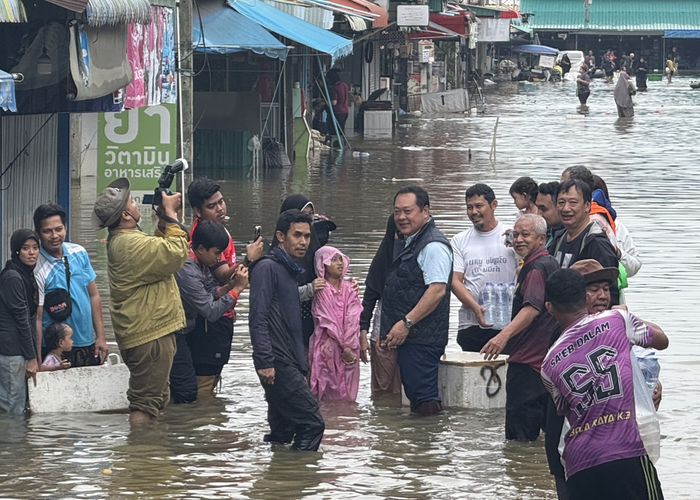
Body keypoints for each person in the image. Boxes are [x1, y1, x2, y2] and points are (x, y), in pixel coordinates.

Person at [542, 269, 668, 500]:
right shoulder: (616, 321)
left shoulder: (548, 363)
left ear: (550, 307)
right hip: (625, 451)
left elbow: (566, 411)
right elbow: (662, 339)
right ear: (585, 297)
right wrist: (626, 315)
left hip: (580, 464)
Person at [93, 178, 189, 425]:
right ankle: (138, 455)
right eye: (133, 202)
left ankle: (151, 456)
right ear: (125, 214)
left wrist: (164, 220)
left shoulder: (127, 239)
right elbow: (176, 254)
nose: (137, 204)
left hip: (149, 332)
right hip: (149, 335)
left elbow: (157, 250)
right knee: (145, 403)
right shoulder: (128, 243)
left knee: (155, 400)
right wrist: (170, 213)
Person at [248, 209, 325, 450]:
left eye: (307, 236)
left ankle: (278, 481)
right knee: (312, 423)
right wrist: (265, 361)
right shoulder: (267, 268)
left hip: (288, 359)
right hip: (277, 361)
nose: (303, 242)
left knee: (284, 429)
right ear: (281, 236)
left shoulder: (287, 269)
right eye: (297, 235)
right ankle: (298, 480)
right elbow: (257, 317)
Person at [481, 215, 560, 441]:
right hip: (545, 365)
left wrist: (502, 336)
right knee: (545, 438)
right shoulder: (549, 263)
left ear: (542, 239)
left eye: (525, 235)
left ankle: (520, 473)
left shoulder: (536, 269)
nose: (518, 240)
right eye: (515, 234)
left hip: (527, 364)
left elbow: (532, 308)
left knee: (519, 441)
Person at [381, 186, 452, 416]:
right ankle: (419, 446)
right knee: (417, 395)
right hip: (413, 338)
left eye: (408, 211)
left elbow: (437, 291)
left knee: (424, 399)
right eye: (397, 212)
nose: (401, 217)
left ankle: (426, 443)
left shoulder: (433, 246)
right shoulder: (412, 241)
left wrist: (406, 323)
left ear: (425, 212)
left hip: (422, 338)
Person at [186, 179, 260, 394]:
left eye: (221, 202)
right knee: (205, 381)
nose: (220, 208)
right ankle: (203, 421)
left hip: (222, 312)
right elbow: (221, 276)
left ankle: (207, 420)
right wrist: (248, 259)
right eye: (212, 206)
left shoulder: (220, 231)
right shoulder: (202, 237)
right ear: (197, 211)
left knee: (212, 377)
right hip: (209, 320)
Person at [172, 221, 249, 403]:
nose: (220, 258)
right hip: (172, 332)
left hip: (184, 329)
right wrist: (236, 290)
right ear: (200, 249)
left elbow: (210, 294)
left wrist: (231, 285)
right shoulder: (187, 269)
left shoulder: (201, 262)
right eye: (216, 253)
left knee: (185, 389)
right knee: (186, 391)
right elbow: (210, 311)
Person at [33, 204, 108, 367]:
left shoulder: (79, 252)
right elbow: (37, 318)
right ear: (38, 233)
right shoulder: (37, 267)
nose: (54, 235)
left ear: (65, 227)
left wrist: (101, 337)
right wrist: (37, 358)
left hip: (87, 343)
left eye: (58, 229)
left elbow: (94, 296)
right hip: (56, 349)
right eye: (47, 231)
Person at [451, 184, 518, 353]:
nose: (473, 212)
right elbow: (454, 281)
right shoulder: (459, 240)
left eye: (479, 206)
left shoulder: (512, 235)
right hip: (471, 323)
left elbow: (527, 269)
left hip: (507, 322)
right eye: (469, 207)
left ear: (494, 205)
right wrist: (475, 307)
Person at [279, 194, 337, 349]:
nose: (309, 220)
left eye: (311, 215)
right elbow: (278, 297)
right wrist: (310, 289)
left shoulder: (317, 253)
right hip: (285, 330)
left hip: (314, 327)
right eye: (304, 215)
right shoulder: (275, 261)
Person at [309, 246, 363, 402]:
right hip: (327, 347)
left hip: (351, 348)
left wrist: (350, 346)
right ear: (322, 264)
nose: (339, 263)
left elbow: (353, 318)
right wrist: (344, 347)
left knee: (349, 395)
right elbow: (328, 321)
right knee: (327, 392)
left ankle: (346, 423)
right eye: (333, 260)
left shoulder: (350, 289)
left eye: (340, 259)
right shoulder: (322, 290)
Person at [552, 179, 620, 303]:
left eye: (573, 203)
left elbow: (611, 292)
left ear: (587, 206)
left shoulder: (597, 244)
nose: (566, 209)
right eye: (561, 202)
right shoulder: (558, 239)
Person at [360, 215, 401, 396]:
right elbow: (369, 298)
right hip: (383, 333)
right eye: (398, 233)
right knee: (383, 390)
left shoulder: (424, 254)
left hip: (416, 335)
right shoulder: (383, 259)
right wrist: (362, 332)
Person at [0, 229, 40, 415]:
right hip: (12, 352)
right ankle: (12, 444)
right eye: (25, 248)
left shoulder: (26, 274)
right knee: (12, 407)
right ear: (16, 251)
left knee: (17, 405)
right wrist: (31, 358)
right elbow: (22, 320)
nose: (31, 252)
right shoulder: (13, 277)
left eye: (35, 248)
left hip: (18, 351)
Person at [536, 181, 565, 254]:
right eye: (537, 208)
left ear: (560, 206)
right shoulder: (548, 233)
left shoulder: (570, 238)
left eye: (543, 209)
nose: (538, 214)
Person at [326, 69, 350, 139]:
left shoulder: (334, 88)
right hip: (345, 111)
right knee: (341, 130)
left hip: (337, 112)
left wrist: (326, 102)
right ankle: (342, 143)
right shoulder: (344, 85)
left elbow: (334, 102)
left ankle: (337, 144)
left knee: (335, 131)